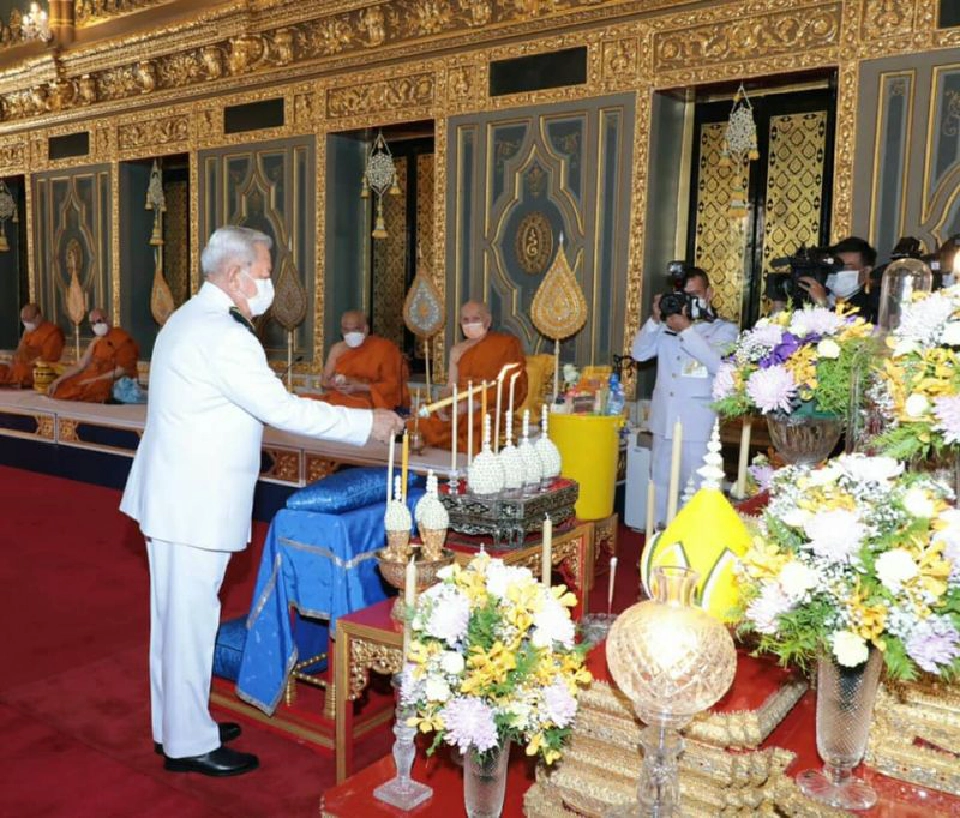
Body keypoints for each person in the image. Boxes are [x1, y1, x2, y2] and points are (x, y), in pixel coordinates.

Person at [120, 226, 404, 777]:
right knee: (190, 621)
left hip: (175, 496)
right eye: (265, 273)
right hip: (193, 503)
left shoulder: (187, 317)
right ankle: (186, 743)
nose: (269, 285)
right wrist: (368, 423)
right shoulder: (225, 335)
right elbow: (285, 410)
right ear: (235, 275)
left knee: (175, 619)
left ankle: (177, 723)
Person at [631, 267, 738, 527]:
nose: (689, 300)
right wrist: (655, 321)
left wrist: (687, 330)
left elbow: (718, 365)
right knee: (661, 487)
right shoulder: (665, 327)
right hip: (664, 420)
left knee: (699, 489)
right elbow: (640, 354)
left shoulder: (725, 330)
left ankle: (694, 545)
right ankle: (659, 540)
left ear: (709, 294)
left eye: (696, 294)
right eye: (683, 295)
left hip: (698, 424)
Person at [420, 300, 527, 453]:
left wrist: (476, 402)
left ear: (487, 321)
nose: (470, 324)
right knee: (423, 418)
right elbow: (451, 386)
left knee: (478, 424)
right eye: (465, 320)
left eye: (476, 319)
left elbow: (512, 384)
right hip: (458, 403)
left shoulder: (506, 345)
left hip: (487, 405)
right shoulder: (457, 349)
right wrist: (443, 404)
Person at [773, 237, 880, 322]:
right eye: (836, 266)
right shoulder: (810, 294)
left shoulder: (874, 303)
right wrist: (780, 306)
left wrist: (823, 305)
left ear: (866, 271)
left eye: (846, 267)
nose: (838, 272)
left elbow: (848, 336)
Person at [319, 310, 409, 411]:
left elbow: (392, 386)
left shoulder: (384, 349)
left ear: (365, 329)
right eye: (346, 330)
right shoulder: (337, 349)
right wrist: (334, 384)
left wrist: (358, 387)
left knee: (354, 406)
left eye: (355, 329)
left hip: (372, 401)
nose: (350, 333)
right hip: (342, 398)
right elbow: (324, 382)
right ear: (342, 331)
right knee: (307, 399)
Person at [47, 308, 139, 402]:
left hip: (110, 379)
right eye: (92, 323)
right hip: (91, 376)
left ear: (108, 320)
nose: (96, 325)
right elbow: (81, 365)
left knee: (92, 387)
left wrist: (93, 380)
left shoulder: (122, 339)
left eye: (99, 321)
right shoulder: (96, 341)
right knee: (62, 386)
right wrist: (59, 379)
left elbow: (121, 371)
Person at [0, 303, 65, 388]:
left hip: (39, 370)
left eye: (29, 321)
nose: (26, 324)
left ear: (38, 317)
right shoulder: (28, 331)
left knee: (22, 371)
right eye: (24, 321)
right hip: (20, 366)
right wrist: (16, 359)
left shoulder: (52, 332)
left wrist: (30, 362)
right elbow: (20, 351)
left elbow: (49, 358)